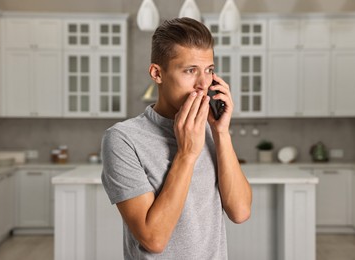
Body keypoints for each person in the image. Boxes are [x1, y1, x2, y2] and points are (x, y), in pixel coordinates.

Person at [101, 17, 252, 259]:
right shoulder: (123, 139)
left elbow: (240, 212)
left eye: (209, 70)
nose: (204, 84)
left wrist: (221, 133)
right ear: (157, 73)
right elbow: (154, 239)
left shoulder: (210, 130)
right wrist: (186, 154)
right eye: (190, 70)